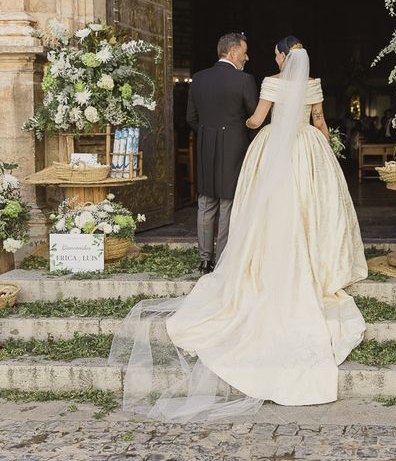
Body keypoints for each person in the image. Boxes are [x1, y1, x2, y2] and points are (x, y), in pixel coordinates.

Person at [109, 36, 368, 422]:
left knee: (263, 207)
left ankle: (255, 257)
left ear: (282, 56)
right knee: (311, 205)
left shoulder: (270, 82)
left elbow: (257, 120)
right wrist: (325, 150)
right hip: (308, 150)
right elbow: (319, 121)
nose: (269, 57)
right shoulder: (313, 85)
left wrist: (243, 121)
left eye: (275, 53)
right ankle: (316, 260)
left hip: (273, 149)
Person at [187, 32, 258, 273]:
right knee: (228, 203)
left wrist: (209, 133)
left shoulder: (198, 78)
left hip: (206, 145)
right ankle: (224, 259)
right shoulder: (244, 81)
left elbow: (191, 118)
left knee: (206, 203)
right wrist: (243, 140)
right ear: (233, 52)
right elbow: (254, 119)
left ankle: (205, 260)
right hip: (235, 148)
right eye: (245, 52)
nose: (247, 58)